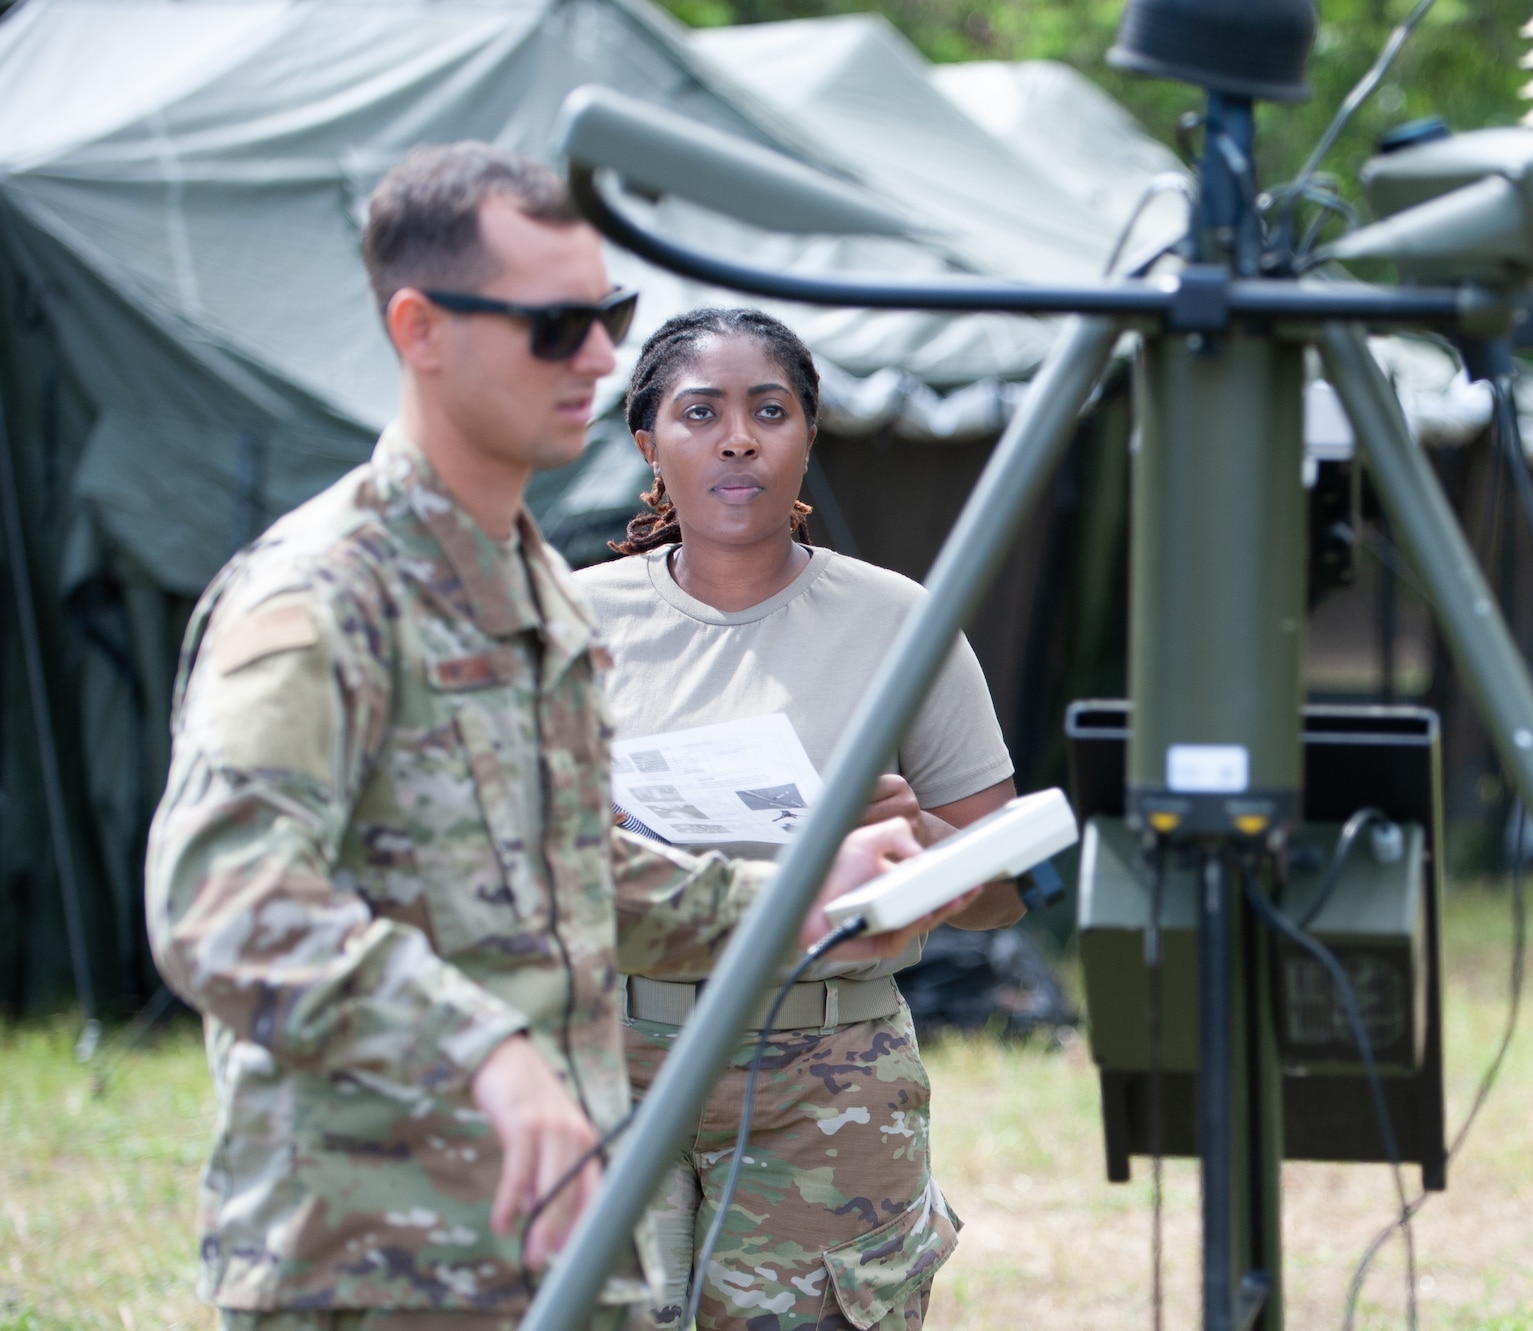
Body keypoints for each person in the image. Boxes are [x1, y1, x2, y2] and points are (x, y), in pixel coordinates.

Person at [144, 145, 954, 1331]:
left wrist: (801, 889)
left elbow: (567, 865)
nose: (595, 355)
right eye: (552, 323)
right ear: (420, 329)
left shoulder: (526, 590)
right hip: (375, 1253)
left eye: (607, 315)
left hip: (547, 1237)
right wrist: (483, 1050)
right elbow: (218, 898)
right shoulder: (325, 596)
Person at [574, 307, 1023, 1331]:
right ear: (649, 444)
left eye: (767, 410)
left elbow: (1003, 891)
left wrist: (921, 840)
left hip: (825, 1078)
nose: (737, 437)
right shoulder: (571, 621)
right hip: (609, 1062)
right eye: (701, 412)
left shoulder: (900, 623)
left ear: (807, 434)